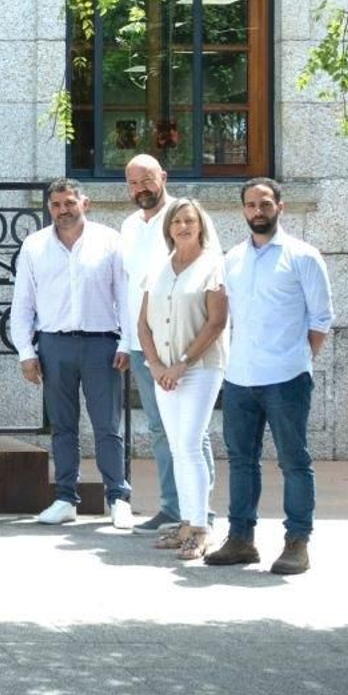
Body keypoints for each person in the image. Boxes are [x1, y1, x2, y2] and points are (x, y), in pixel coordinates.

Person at [206, 178, 333, 576]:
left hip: (286, 377)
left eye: (264, 204)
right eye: (250, 205)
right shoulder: (233, 258)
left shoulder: (303, 256)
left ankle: (297, 542)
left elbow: (321, 318)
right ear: (243, 209)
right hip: (240, 377)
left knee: (294, 461)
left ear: (280, 206)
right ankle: (241, 539)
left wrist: (297, 359)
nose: (257, 211)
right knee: (242, 461)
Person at [10, 177, 134, 529]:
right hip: (54, 345)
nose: (63, 210)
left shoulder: (109, 241)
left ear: (85, 203)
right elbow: (23, 302)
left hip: (101, 344)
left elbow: (125, 295)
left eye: (69, 203)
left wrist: (126, 342)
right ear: (49, 208)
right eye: (56, 204)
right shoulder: (34, 245)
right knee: (63, 426)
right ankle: (65, 498)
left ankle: (118, 498)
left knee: (107, 425)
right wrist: (25, 352)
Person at [119, 154, 209, 536]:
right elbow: (129, 286)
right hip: (144, 346)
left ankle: (201, 512)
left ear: (164, 178)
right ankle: (174, 508)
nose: (141, 188)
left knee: (192, 432)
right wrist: (127, 341)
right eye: (133, 182)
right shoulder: (128, 226)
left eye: (147, 180)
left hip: (182, 345)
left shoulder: (183, 218)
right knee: (160, 428)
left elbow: (207, 274)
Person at [136, 198, 228, 560]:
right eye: (176, 222)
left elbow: (216, 322)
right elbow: (143, 324)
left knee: (190, 444)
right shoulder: (158, 268)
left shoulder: (213, 266)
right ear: (168, 229)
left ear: (201, 225)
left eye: (190, 221)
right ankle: (186, 523)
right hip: (163, 371)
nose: (183, 227)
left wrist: (182, 364)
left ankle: (202, 528)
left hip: (200, 368)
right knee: (177, 448)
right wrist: (156, 364)